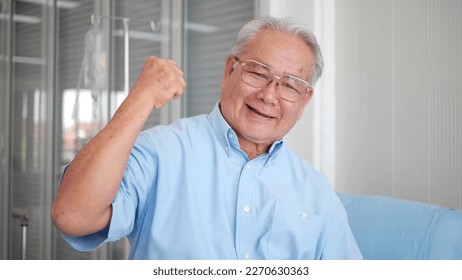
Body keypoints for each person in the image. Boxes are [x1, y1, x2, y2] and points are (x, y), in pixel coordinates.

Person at [51, 16, 362, 260]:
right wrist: (140, 98)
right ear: (229, 71)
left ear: (304, 101)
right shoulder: (161, 151)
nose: (269, 95)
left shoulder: (316, 191)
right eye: (257, 72)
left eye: (290, 85)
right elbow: (72, 215)